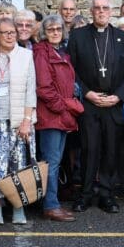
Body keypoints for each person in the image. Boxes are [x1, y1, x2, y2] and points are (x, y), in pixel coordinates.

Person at [67, 0, 124, 213]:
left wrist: (119, 96)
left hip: (113, 103)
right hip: (90, 103)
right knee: (89, 149)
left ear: (111, 11)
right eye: (97, 8)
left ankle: (106, 194)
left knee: (110, 151)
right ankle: (85, 194)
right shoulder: (78, 36)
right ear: (91, 11)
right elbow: (71, 71)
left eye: (105, 8)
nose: (101, 11)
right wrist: (86, 93)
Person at [0, 18, 37, 225]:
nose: (9, 36)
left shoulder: (26, 56)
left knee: (18, 164)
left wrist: (26, 120)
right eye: (4, 32)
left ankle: (17, 204)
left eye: (12, 33)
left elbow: (30, 91)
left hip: (19, 120)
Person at [34, 15, 82, 222]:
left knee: (55, 161)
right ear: (45, 32)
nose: (55, 32)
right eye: (51, 29)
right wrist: (65, 107)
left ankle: (53, 203)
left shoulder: (60, 52)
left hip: (61, 115)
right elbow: (44, 88)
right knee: (51, 162)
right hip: (51, 115)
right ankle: (50, 206)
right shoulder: (41, 53)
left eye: (58, 29)